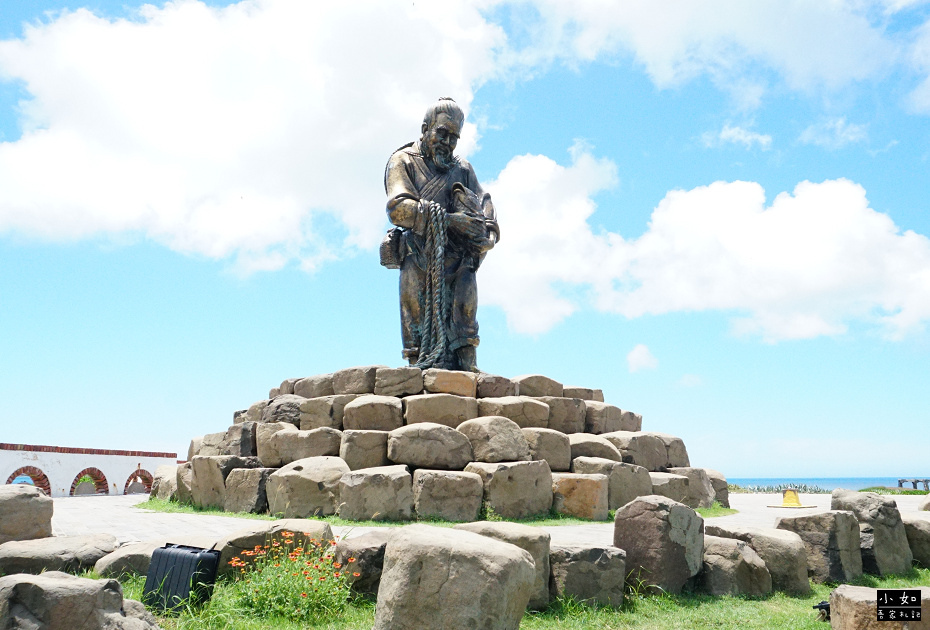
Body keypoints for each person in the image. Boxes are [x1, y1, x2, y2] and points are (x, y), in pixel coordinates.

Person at [383, 97, 499, 372]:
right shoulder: (402, 161)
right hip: (419, 253)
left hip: (458, 256)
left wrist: (489, 231)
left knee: (466, 306)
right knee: (416, 310)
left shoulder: (462, 168)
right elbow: (399, 208)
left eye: (454, 137)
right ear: (425, 129)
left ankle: (468, 363)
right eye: (441, 133)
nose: (447, 142)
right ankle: (417, 363)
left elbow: (484, 200)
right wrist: (450, 221)